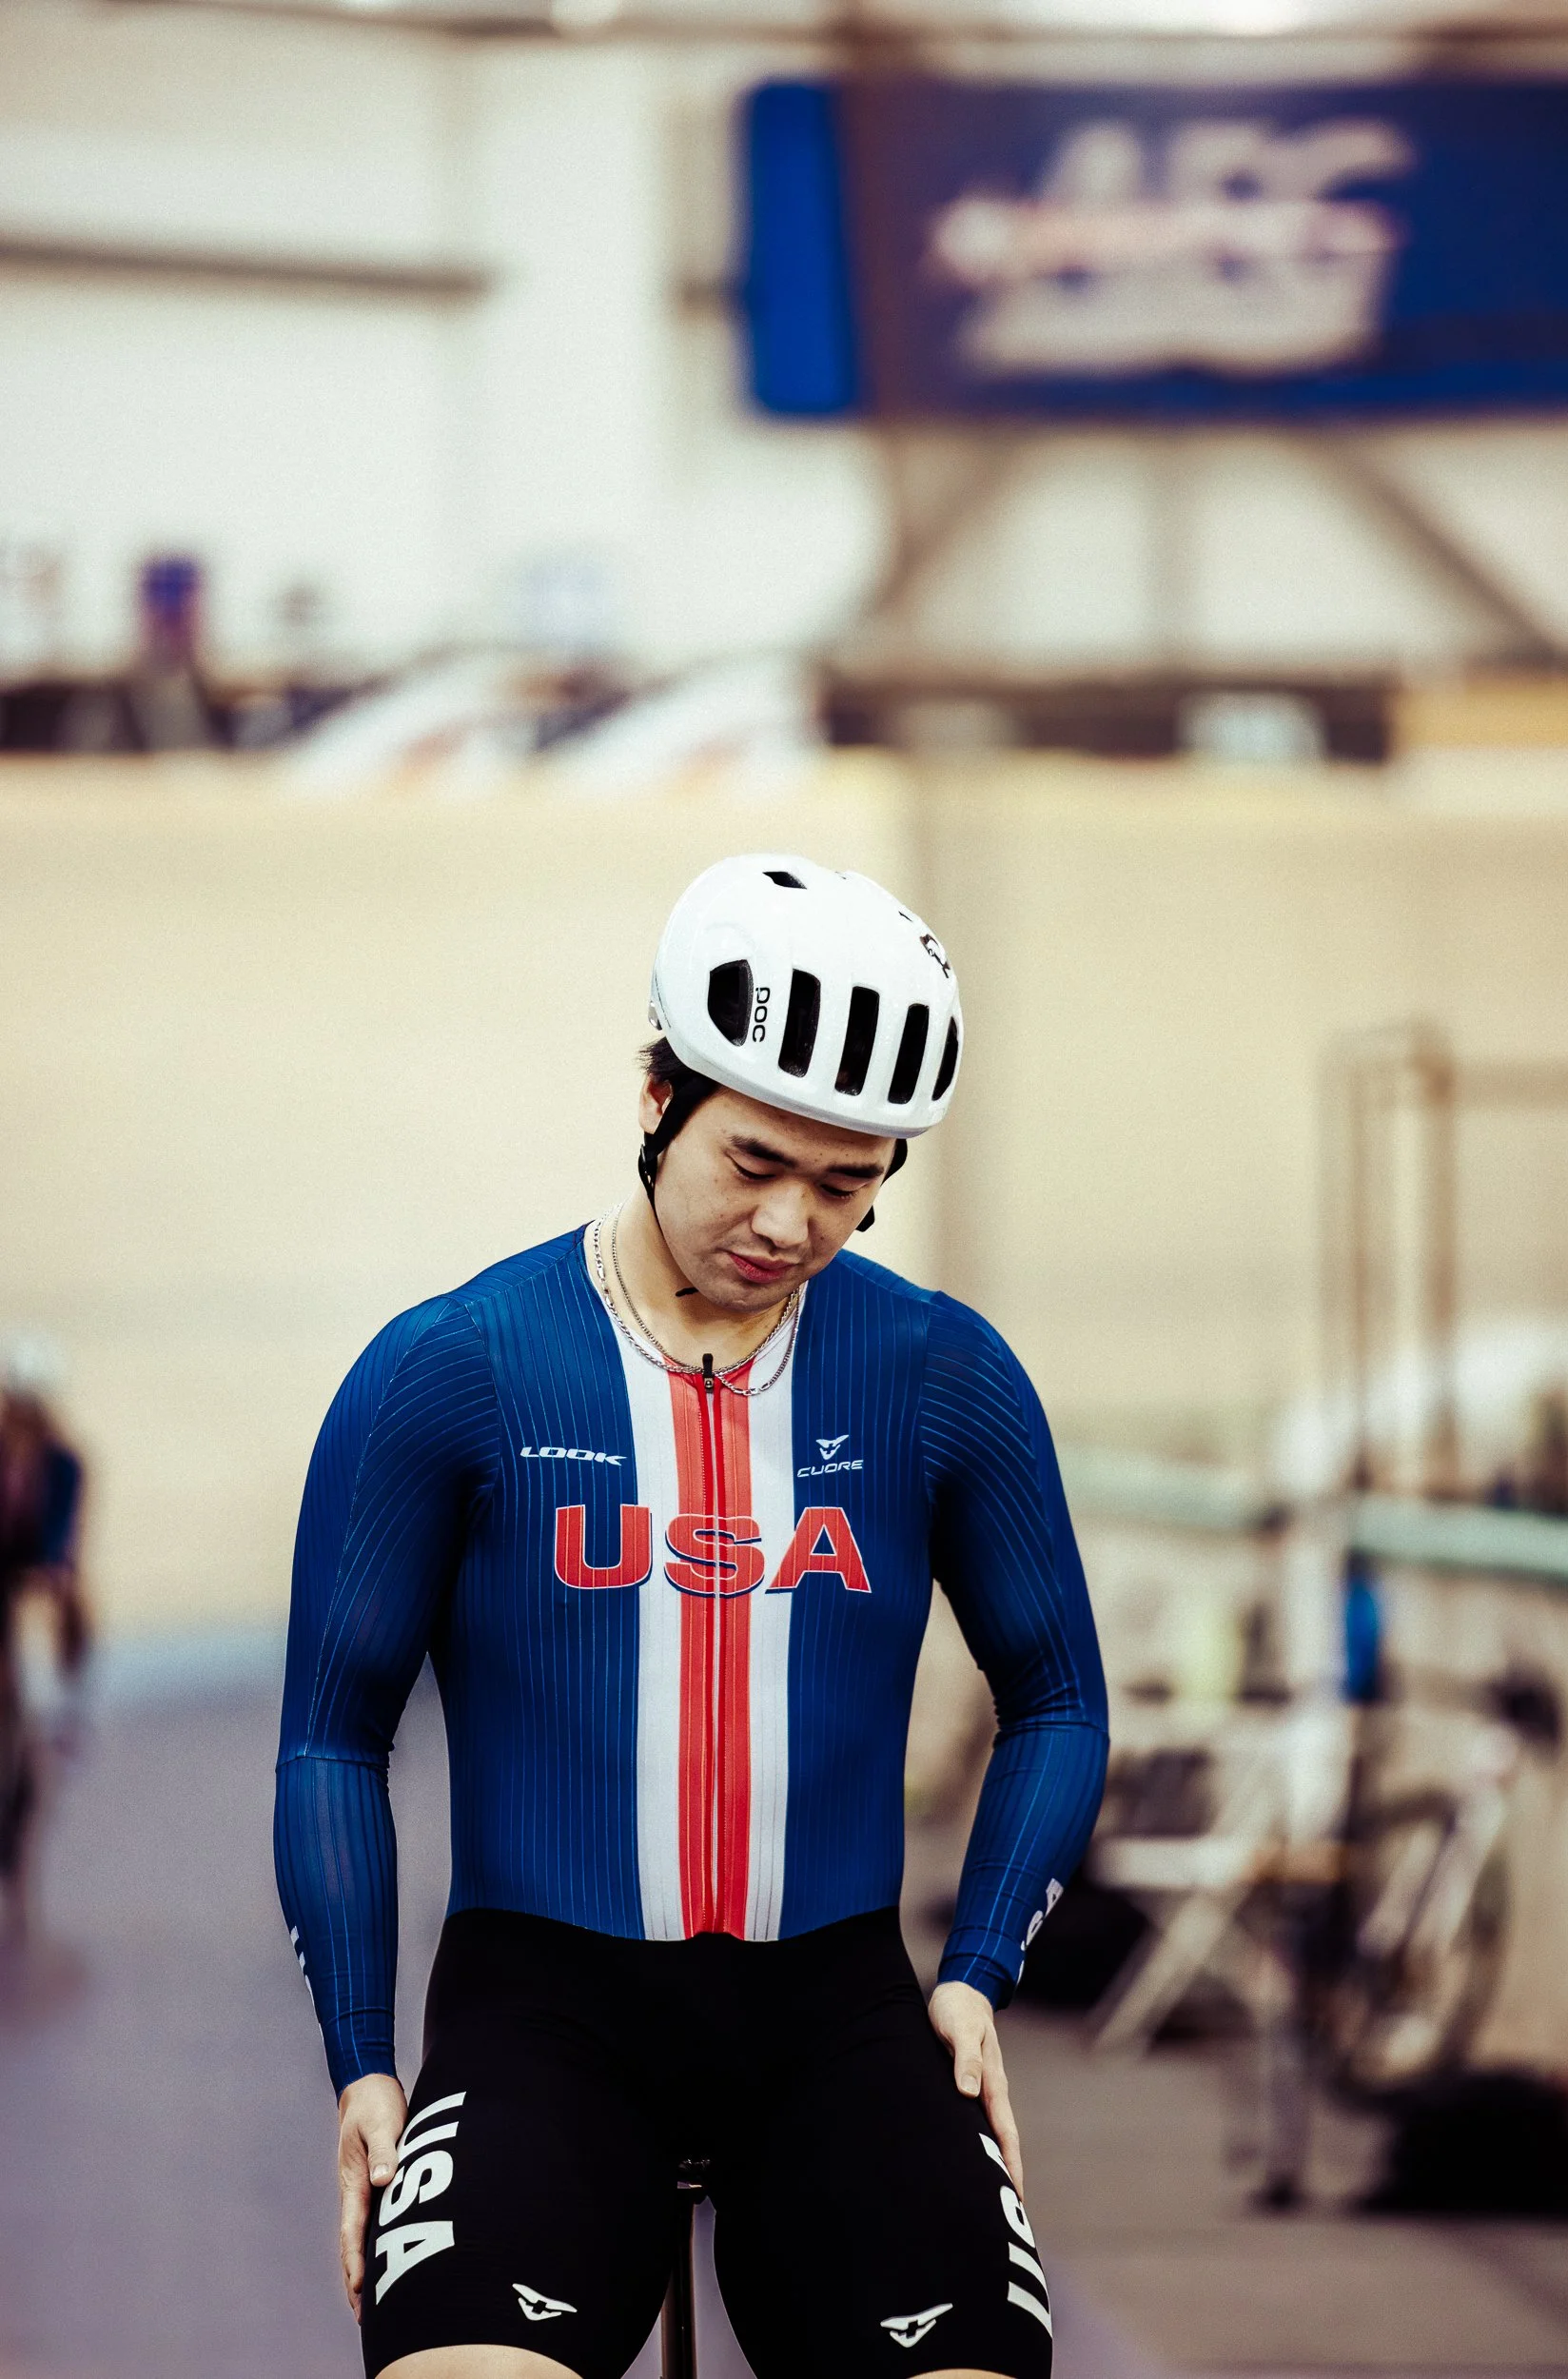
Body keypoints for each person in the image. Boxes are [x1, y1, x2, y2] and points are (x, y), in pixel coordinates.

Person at [276, 855, 1109, 2379]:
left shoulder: (939, 1374)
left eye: (846, 1184)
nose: (791, 1222)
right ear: (659, 1090)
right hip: (546, 2022)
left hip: (838, 2019)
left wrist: (978, 1967)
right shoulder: (457, 1366)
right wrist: (361, 2059)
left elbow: (1054, 1695)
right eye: (755, 1161)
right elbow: (333, 1732)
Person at [0, 1338, 89, 1948]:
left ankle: (63, 1718)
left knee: (39, 1739)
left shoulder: (63, 1463)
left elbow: (61, 1544)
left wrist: (52, 1575)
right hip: (7, 1599)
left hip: (41, 1598)